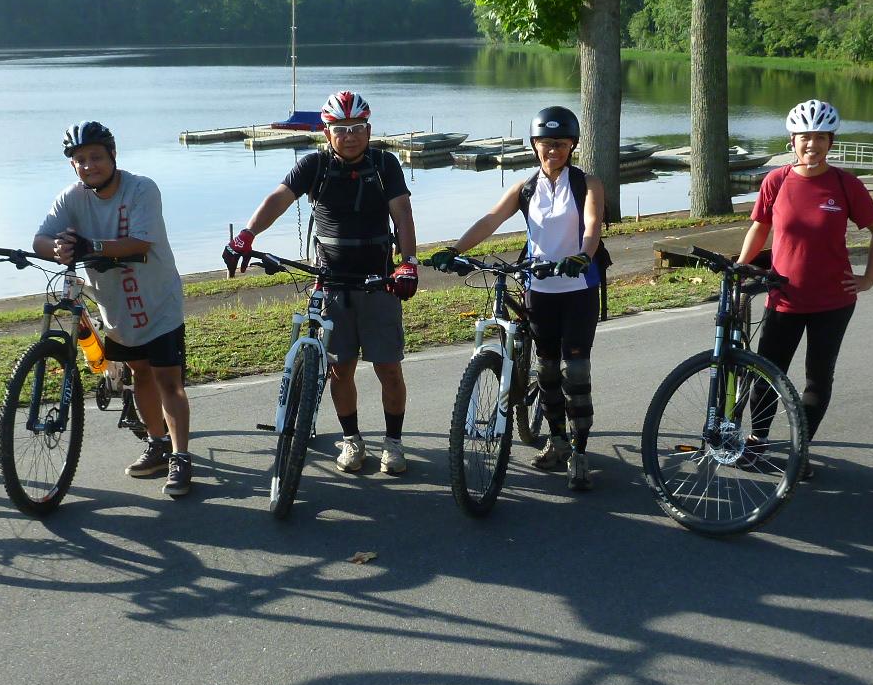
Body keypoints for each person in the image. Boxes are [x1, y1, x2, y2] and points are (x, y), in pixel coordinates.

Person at [223, 90, 419, 475]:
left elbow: (403, 216)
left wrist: (408, 263)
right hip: (330, 283)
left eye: (358, 128)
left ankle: (393, 444)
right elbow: (278, 199)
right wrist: (246, 235)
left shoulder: (385, 164)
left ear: (369, 129)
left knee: (388, 369)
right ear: (326, 133)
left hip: (379, 282)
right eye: (341, 129)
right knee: (339, 370)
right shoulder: (314, 166)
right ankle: (352, 440)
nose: (350, 136)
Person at [428, 105, 604, 491]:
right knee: (546, 371)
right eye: (545, 143)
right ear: (534, 145)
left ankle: (580, 451)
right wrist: (455, 249)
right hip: (539, 287)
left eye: (560, 143)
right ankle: (557, 441)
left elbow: (592, 225)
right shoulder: (525, 188)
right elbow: (491, 220)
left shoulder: (587, 184)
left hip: (578, 289)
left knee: (575, 372)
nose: (552, 150)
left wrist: (583, 255)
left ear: (572, 145)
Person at [34, 121, 194, 498]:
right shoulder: (71, 197)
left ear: (113, 157)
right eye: (80, 160)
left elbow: (139, 241)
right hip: (117, 306)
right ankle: (157, 443)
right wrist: (57, 249)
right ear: (72, 165)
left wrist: (91, 246)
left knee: (168, 379)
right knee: (139, 375)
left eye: (96, 157)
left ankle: (181, 456)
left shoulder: (142, 189)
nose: (89, 165)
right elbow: (41, 237)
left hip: (158, 301)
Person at [737, 98, 873, 478]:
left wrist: (869, 278)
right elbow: (760, 227)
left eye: (820, 138)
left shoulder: (845, 183)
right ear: (792, 140)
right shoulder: (777, 180)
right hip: (784, 297)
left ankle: (799, 449)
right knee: (767, 372)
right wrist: (742, 264)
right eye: (805, 137)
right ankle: (756, 442)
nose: (812, 145)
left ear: (830, 142)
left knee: (817, 379)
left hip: (833, 302)